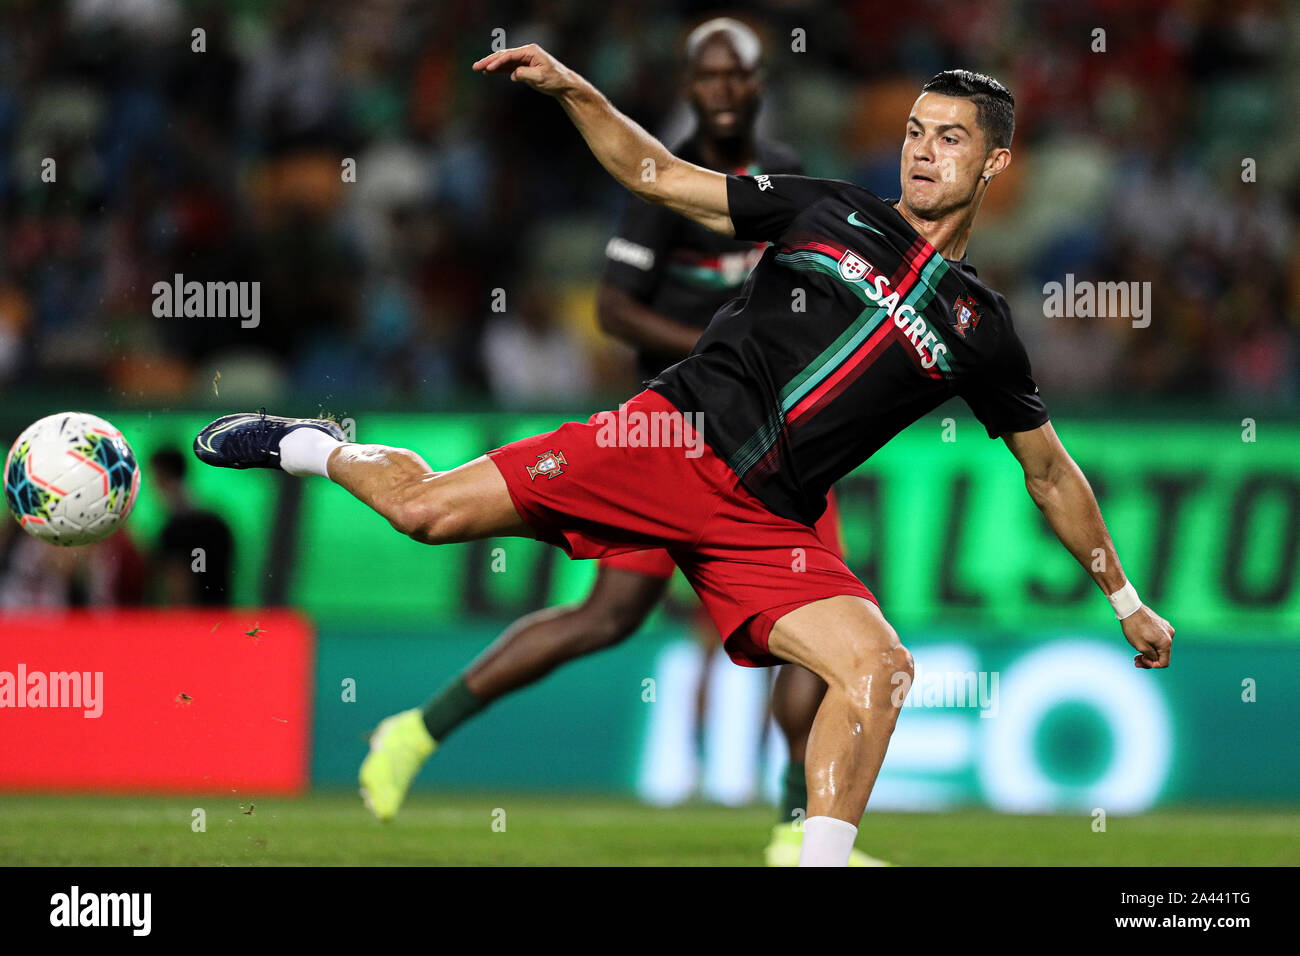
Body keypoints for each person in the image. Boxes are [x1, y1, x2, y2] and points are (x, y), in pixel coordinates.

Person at [195, 44, 1175, 867]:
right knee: (427, 515)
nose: (921, 153)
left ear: (996, 163)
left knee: (877, 667)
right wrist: (579, 92)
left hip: (768, 519)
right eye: (915, 132)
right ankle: (312, 444)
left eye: (949, 138)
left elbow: (1047, 471)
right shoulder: (829, 209)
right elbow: (661, 177)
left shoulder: (981, 326)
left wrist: (1123, 596)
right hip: (663, 441)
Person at [357, 17, 871, 867]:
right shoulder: (661, 180)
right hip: (670, 431)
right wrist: (720, 350)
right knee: (607, 617)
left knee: (816, 617)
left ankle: (794, 829)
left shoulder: (788, 180)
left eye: (735, 74)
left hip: (779, 444)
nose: (720, 89)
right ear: (690, 84)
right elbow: (612, 311)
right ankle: (416, 728)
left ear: (755, 83)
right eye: (704, 75)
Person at [150, 448, 234, 605]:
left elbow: (179, 582)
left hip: (192, 622)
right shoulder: (217, 523)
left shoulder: (175, 529)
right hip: (219, 618)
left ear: (162, 476)